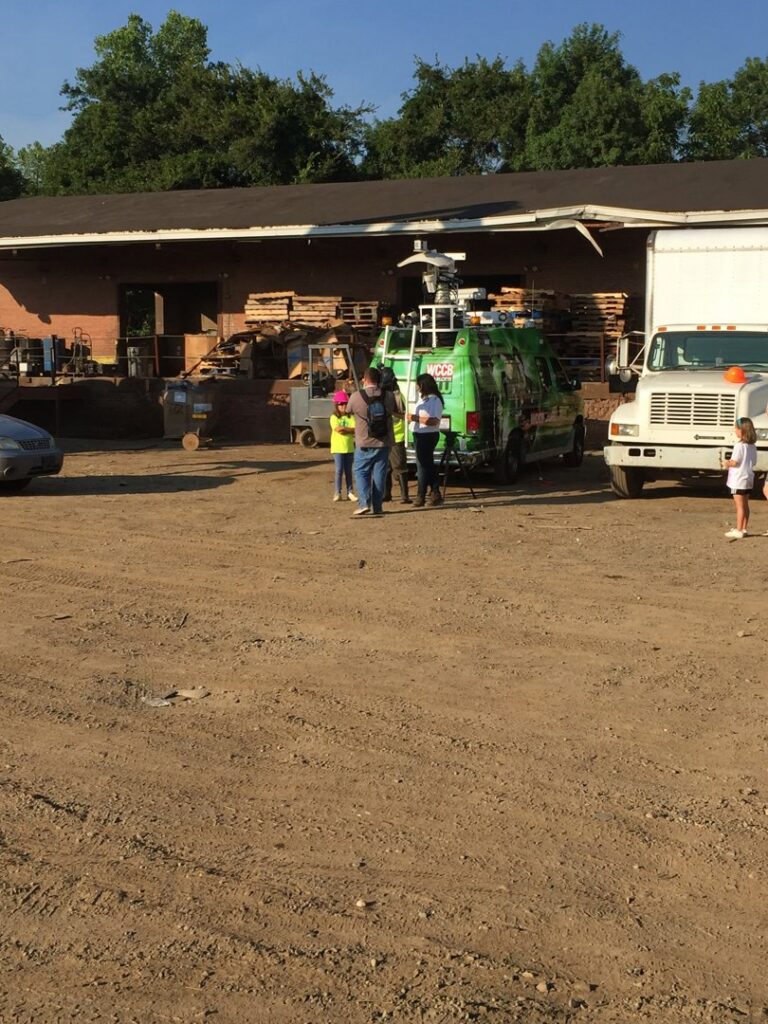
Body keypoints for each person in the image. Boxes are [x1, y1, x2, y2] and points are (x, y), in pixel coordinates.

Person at [346, 367, 396, 517]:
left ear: (364, 380)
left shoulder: (356, 396)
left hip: (364, 442)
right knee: (380, 474)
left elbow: (348, 411)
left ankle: (364, 504)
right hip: (383, 443)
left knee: (361, 472)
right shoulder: (389, 396)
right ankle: (378, 506)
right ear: (378, 380)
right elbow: (397, 409)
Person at [409, 372, 444, 508]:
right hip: (419, 434)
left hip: (428, 435)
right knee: (425, 465)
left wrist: (415, 418)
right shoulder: (423, 399)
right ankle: (432, 492)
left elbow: (434, 420)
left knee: (424, 466)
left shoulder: (435, 400)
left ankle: (423, 494)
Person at [380, 366, 411, 505]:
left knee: (399, 466)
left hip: (396, 436)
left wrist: (390, 412)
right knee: (386, 467)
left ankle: (405, 496)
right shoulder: (382, 394)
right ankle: (387, 494)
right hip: (384, 435)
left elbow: (403, 415)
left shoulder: (397, 395)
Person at [723, 416, 757, 539]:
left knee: (739, 506)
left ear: (742, 430)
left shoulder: (739, 445)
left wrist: (726, 463)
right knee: (746, 505)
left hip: (738, 480)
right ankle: (743, 528)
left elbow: (735, 462)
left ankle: (738, 530)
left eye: (736, 429)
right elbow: (753, 462)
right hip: (748, 479)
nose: (734, 431)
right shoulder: (752, 446)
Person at [329, 390, 356, 503]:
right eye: (340, 404)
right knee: (339, 470)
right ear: (336, 405)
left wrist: (347, 430)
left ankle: (350, 492)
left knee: (349, 471)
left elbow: (356, 429)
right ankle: (338, 492)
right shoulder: (334, 417)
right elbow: (338, 430)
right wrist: (349, 430)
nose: (343, 406)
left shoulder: (351, 417)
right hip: (338, 448)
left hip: (349, 448)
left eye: (345, 403)